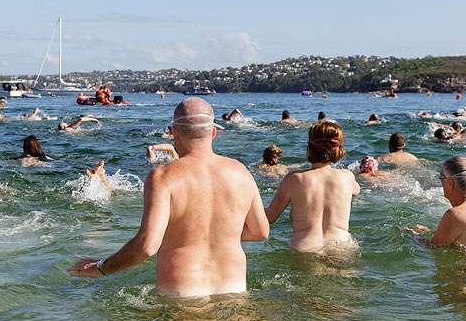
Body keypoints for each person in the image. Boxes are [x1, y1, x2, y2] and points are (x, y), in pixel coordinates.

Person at [68, 97, 269, 297]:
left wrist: (100, 267)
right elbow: (260, 231)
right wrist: (220, 233)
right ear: (214, 132)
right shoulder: (241, 172)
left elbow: (147, 247)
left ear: (174, 134)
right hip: (236, 295)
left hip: (182, 301)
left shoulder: (163, 176)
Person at [265, 121, 360, 252]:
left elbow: (269, 217)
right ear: (339, 149)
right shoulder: (347, 177)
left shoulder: (293, 179)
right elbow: (356, 190)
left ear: (309, 148)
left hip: (305, 247)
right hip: (341, 245)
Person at [405, 156, 466, 251]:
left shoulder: (455, 215)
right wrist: (431, 232)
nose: (441, 182)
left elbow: (432, 248)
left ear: (450, 183)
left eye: (441, 177)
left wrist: (414, 235)